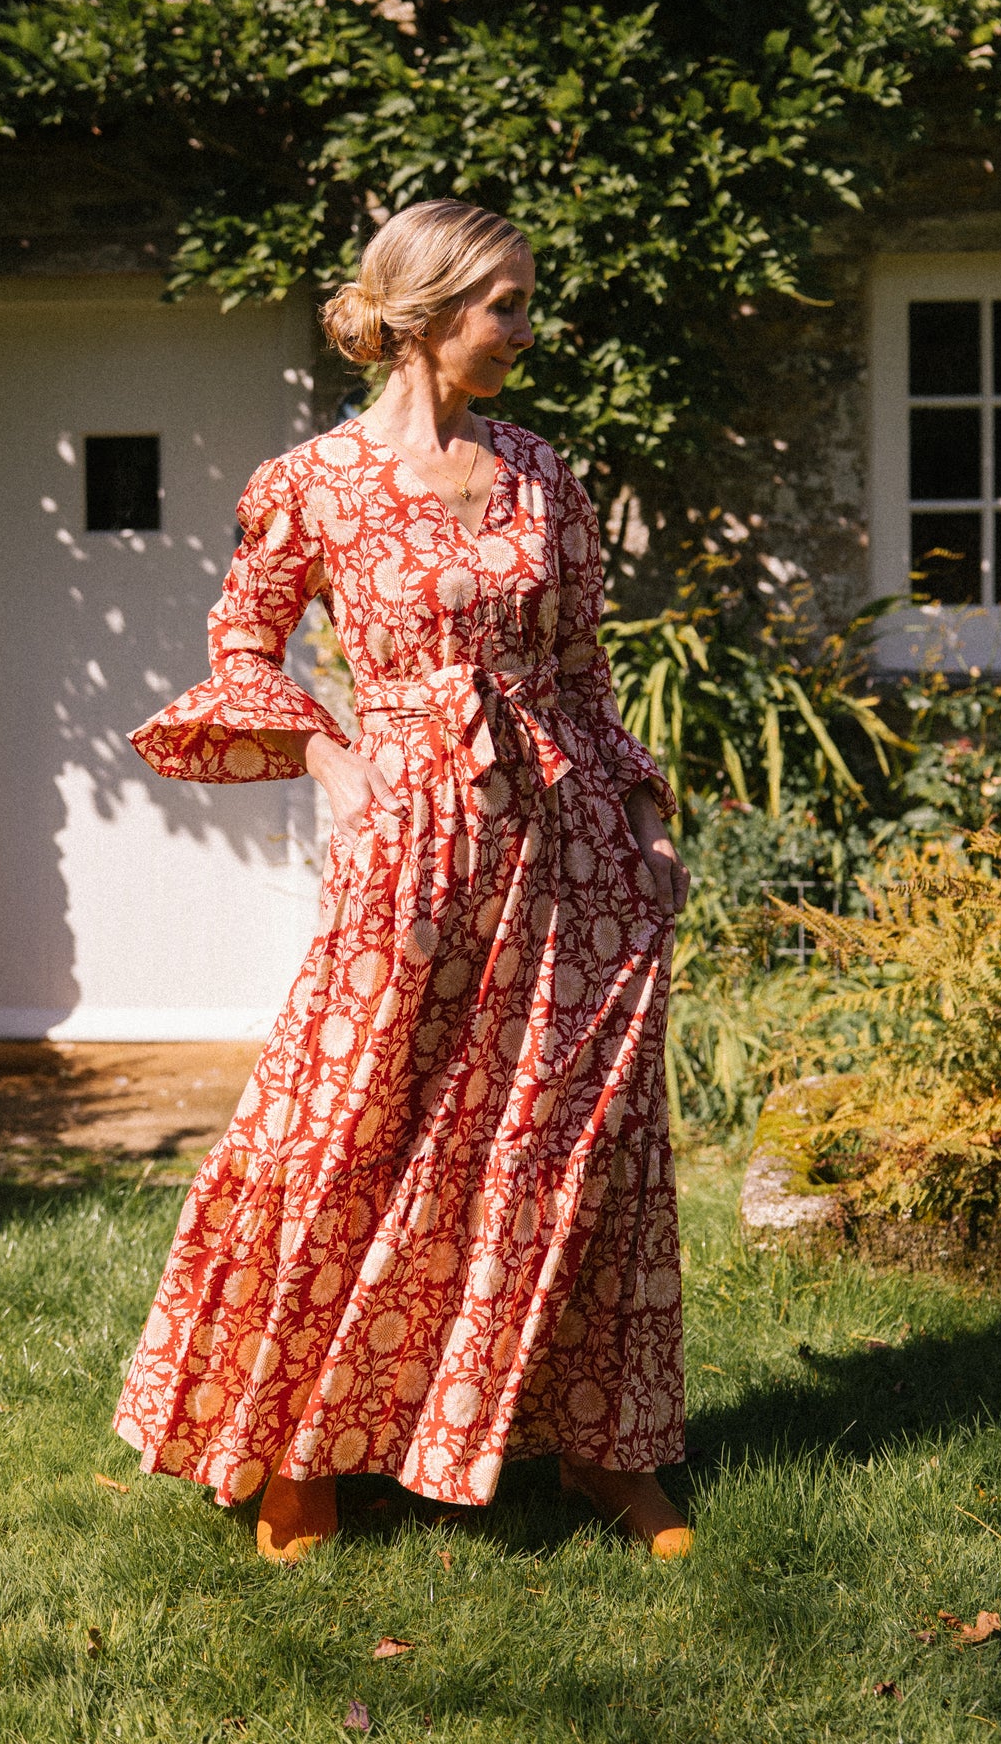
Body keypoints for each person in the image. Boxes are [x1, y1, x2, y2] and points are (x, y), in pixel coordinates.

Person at [114, 199, 692, 1563]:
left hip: (569, 845)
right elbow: (242, 653)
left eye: (524, 302)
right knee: (350, 1124)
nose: (522, 331)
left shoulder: (542, 472)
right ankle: (296, 1447)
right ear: (422, 312)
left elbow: (578, 675)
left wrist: (645, 818)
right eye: (502, 304)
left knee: (572, 1143)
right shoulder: (307, 483)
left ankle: (603, 1445)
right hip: (412, 838)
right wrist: (325, 753)